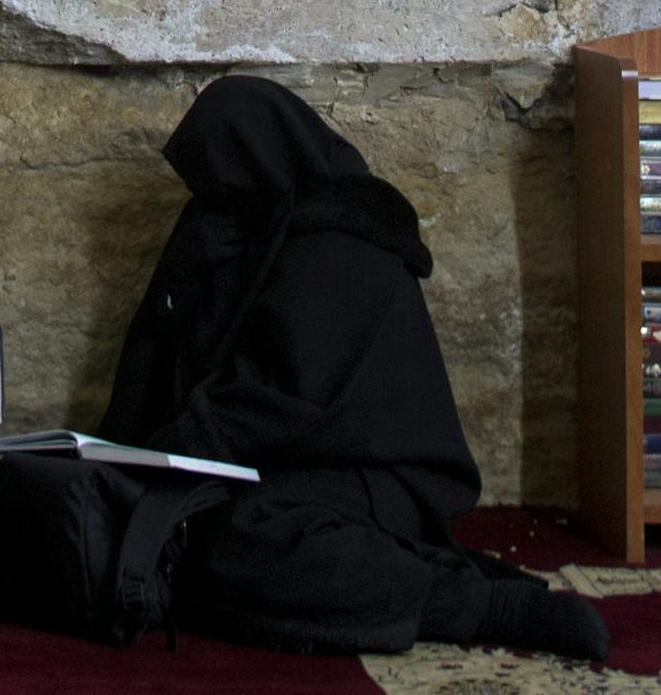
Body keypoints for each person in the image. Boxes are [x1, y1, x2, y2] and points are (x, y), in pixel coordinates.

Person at [97, 75, 609, 659]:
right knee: (174, 532)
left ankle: (481, 606)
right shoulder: (242, 224)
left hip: (374, 471)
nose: (213, 195)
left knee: (243, 538)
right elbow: (160, 354)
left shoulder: (340, 240)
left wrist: (175, 449)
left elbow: (287, 397)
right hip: (275, 460)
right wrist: (118, 460)